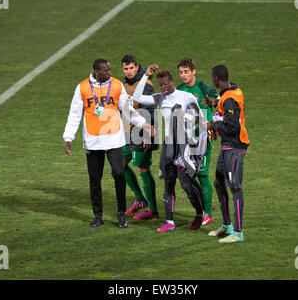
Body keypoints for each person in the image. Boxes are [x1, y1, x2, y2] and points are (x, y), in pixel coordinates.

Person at [63, 58, 154, 229]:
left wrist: (144, 123)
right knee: (95, 179)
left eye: (110, 70)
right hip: (93, 140)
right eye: (106, 71)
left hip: (114, 138)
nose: (110, 73)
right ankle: (98, 215)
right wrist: (68, 137)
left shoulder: (117, 85)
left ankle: (121, 213)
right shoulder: (82, 87)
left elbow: (127, 110)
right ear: (96, 72)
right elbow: (74, 114)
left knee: (119, 174)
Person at [133, 64, 206, 233]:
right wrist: (146, 76)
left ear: (172, 82)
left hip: (184, 144)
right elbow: (137, 97)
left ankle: (199, 214)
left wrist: (184, 115)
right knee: (168, 183)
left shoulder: (186, 96)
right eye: (161, 85)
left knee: (186, 184)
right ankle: (170, 222)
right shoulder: (160, 98)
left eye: (166, 84)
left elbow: (200, 121)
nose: (163, 88)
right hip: (169, 145)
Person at [206, 64, 250, 243]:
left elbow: (233, 126)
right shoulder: (230, 92)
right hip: (226, 147)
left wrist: (213, 125)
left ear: (217, 79)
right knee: (218, 183)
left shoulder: (230, 98)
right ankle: (227, 225)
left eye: (212, 78)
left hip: (235, 147)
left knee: (235, 187)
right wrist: (215, 103)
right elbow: (228, 106)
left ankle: (238, 233)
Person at [176, 58, 218, 226]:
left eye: (186, 72)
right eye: (181, 72)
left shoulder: (205, 88)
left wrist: (213, 125)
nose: (183, 75)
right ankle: (205, 200)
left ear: (194, 72)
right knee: (186, 175)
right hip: (186, 139)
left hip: (203, 138)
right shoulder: (179, 90)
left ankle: (207, 213)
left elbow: (222, 105)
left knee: (202, 173)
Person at [120, 55, 159, 220]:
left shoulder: (145, 85)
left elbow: (150, 111)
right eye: (125, 68)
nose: (129, 71)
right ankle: (140, 200)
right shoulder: (124, 85)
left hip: (141, 133)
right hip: (126, 133)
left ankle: (153, 209)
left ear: (137, 68)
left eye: (131, 68)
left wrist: (147, 136)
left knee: (143, 168)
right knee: (119, 165)